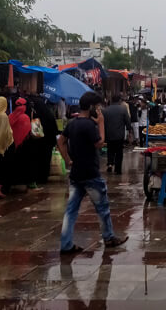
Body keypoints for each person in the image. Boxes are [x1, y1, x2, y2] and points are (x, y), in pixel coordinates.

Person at [58, 91, 128, 254]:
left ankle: (66, 244)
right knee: (102, 208)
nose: (99, 110)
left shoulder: (73, 123)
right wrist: (101, 123)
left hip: (76, 174)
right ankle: (109, 238)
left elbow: (60, 141)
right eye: (97, 107)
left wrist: (67, 159)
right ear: (90, 107)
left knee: (71, 211)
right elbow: (100, 143)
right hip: (90, 174)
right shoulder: (88, 125)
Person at [9, 97, 41, 191]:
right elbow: (37, 133)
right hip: (26, 145)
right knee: (28, 164)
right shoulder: (29, 116)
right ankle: (30, 183)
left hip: (12, 145)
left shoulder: (11, 116)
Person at [31, 97, 59, 185]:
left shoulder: (36, 116)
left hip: (38, 143)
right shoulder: (49, 114)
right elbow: (55, 129)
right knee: (46, 160)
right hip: (48, 143)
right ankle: (43, 178)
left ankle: (37, 178)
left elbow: (36, 133)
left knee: (37, 160)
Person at [103, 94, 132, 174]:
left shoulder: (106, 110)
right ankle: (117, 169)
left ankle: (110, 164)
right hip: (119, 135)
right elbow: (128, 121)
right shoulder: (123, 109)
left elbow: (103, 123)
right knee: (119, 152)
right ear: (119, 100)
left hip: (109, 134)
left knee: (110, 150)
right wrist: (130, 131)